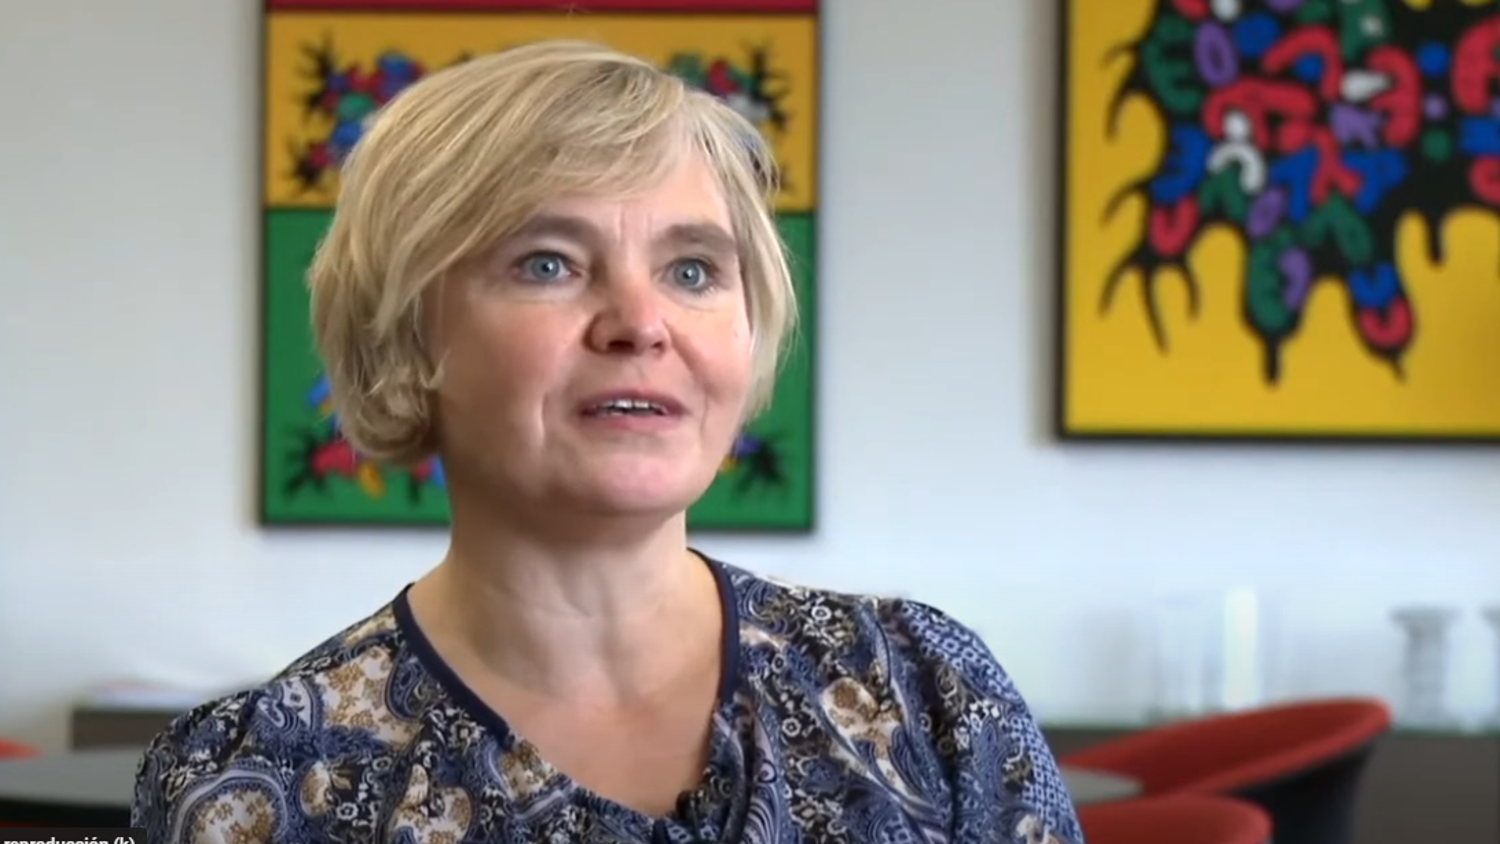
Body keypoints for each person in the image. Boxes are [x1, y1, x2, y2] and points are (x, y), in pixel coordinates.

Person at [131, 40, 1084, 844]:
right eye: (548, 263)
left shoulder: (923, 689)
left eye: (693, 269)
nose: (640, 321)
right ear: (408, 335)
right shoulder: (251, 783)